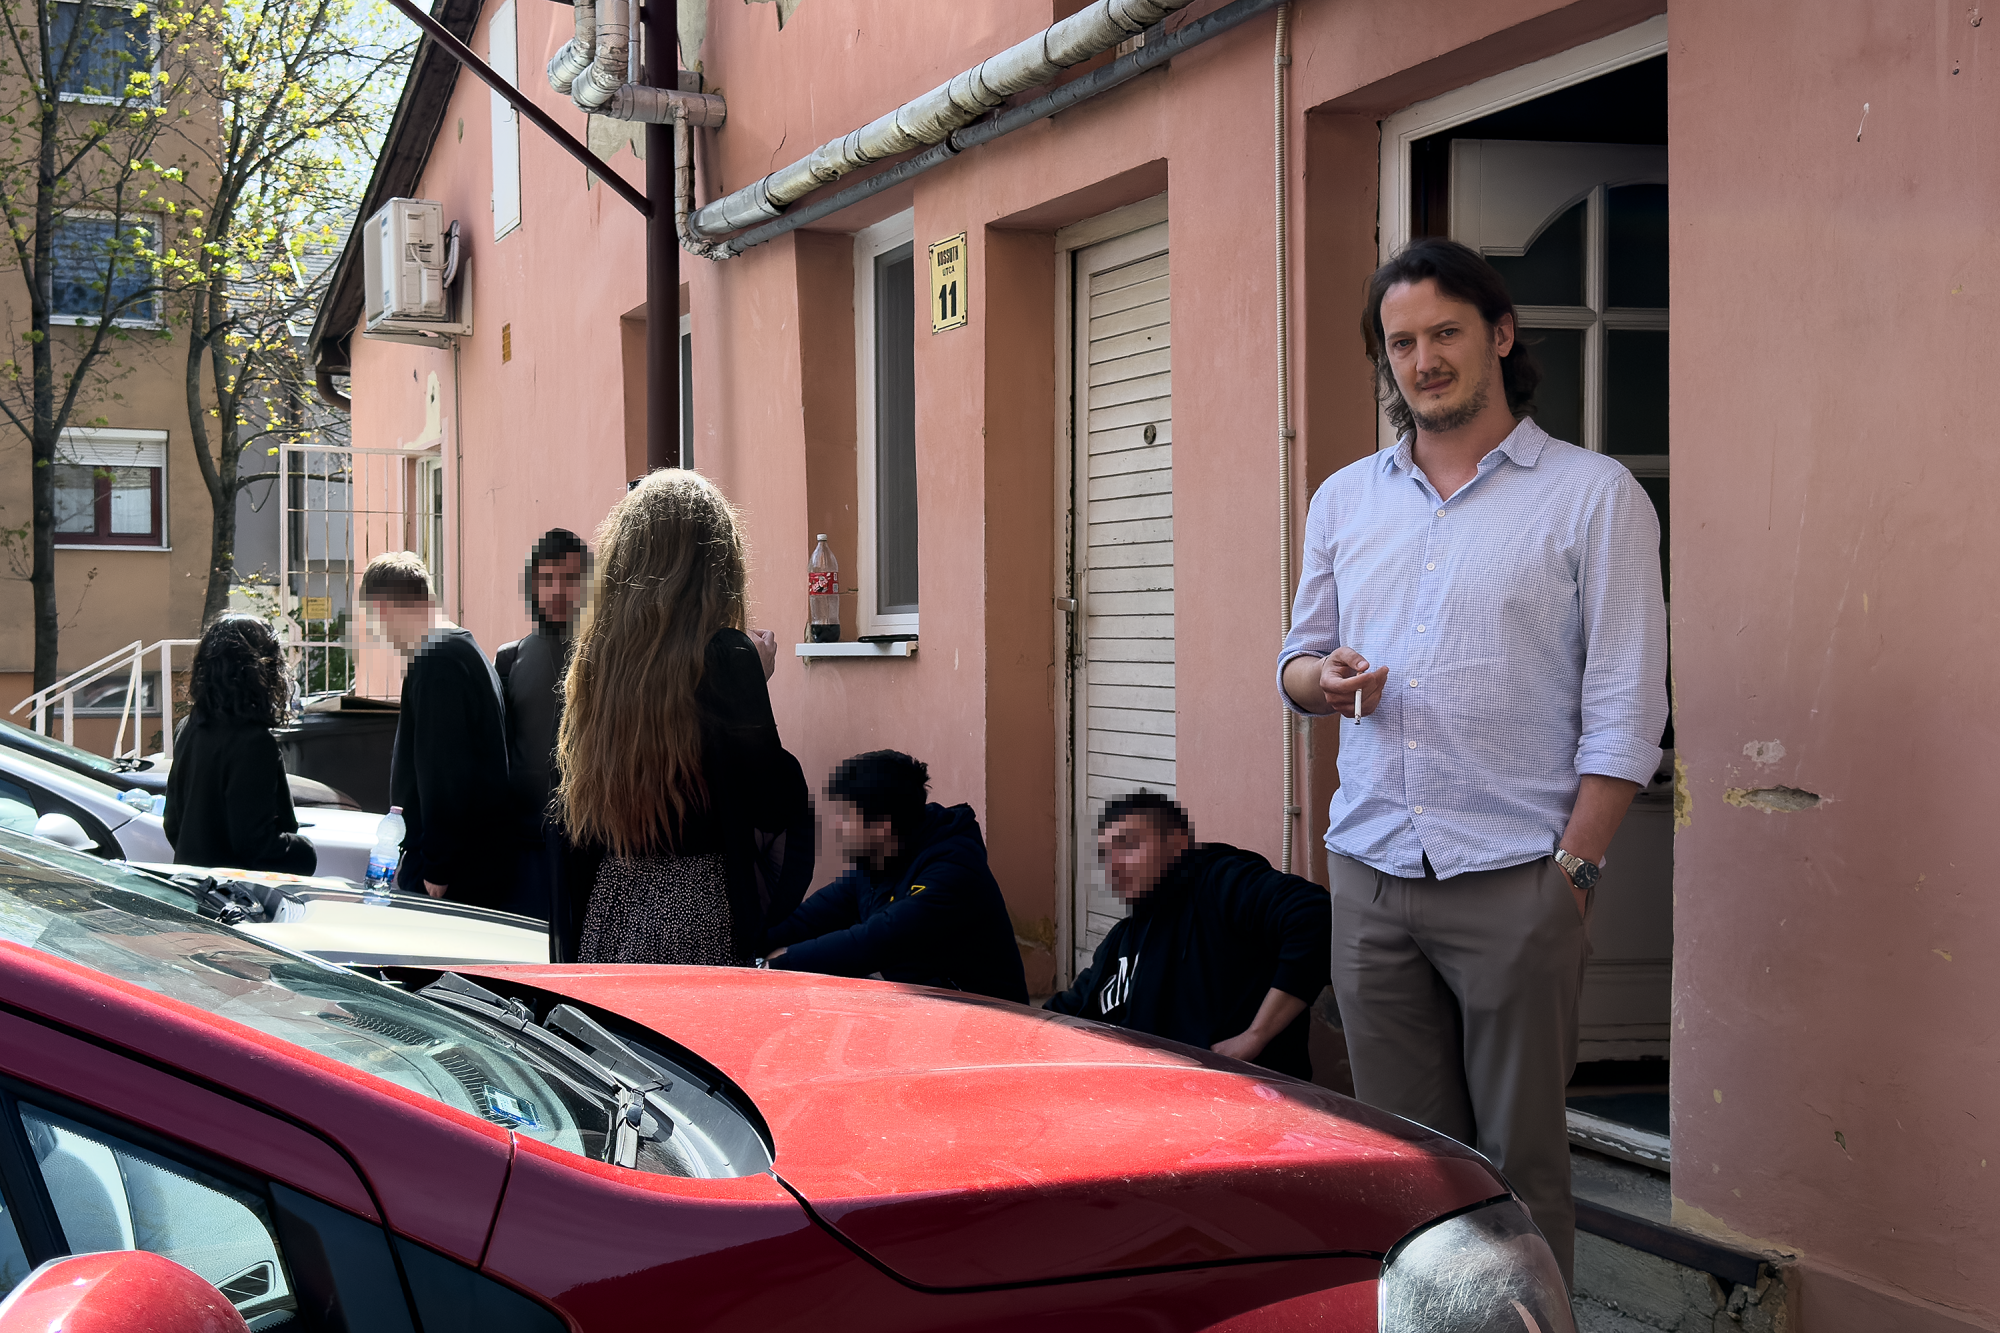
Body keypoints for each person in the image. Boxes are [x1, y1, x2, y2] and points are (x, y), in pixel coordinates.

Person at [1276, 238, 1669, 1286]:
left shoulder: (1593, 496)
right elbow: (1296, 661)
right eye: (1400, 342)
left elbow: (1627, 707)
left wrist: (1572, 872)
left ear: (1499, 334)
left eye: (1444, 332)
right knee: (1406, 1170)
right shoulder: (1344, 499)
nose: (1423, 360)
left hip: (1516, 879)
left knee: (1518, 1172)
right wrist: (1322, 678)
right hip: (1370, 876)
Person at [554, 469, 807, 965]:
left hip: (612, 902)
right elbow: (771, 805)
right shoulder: (725, 656)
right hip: (695, 906)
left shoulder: (598, 659)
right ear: (714, 563)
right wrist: (754, 678)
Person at [1044, 793, 1329, 1078]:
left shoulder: (1220, 883)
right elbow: (1065, 1011)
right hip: (1145, 1092)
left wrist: (1255, 1035)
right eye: (1105, 855)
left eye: (1128, 845)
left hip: (1238, 1092)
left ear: (1177, 843)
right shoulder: (1121, 940)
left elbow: (1315, 915)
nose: (1114, 865)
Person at [764, 750, 1028, 1003]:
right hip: (929, 1013)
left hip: (989, 1022)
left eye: (846, 816)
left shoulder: (952, 870)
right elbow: (808, 919)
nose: (836, 825)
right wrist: (753, 946)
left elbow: (881, 939)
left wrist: (786, 961)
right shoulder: (874, 864)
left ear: (882, 825)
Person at [360, 551, 517, 910]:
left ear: (385, 608)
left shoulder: (436, 659)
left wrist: (438, 864)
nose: (379, 633)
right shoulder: (459, 649)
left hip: (453, 872)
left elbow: (444, 770)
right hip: (472, 861)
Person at [163, 615, 316, 876]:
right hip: (235, 890)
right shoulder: (252, 742)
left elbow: (173, 823)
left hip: (191, 883)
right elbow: (254, 844)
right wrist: (304, 851)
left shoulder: (190, 726)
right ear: (262, 670)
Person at [495, 528, 589, 922]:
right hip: (522, 851)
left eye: (570, 579)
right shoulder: (510, 659)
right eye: (548, 579)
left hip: (588, 849)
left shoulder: (610, 661)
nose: (558, 591)